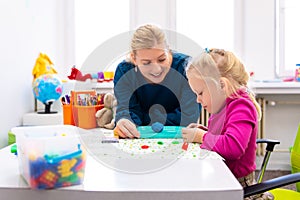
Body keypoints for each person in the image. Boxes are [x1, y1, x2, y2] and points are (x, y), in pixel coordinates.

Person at [181, 48, 273, 200]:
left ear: (222, 86)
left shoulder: (242, 106)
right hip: (222, 178)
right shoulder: (222, 105)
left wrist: (202, 137)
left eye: (201, 93)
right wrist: (203, 131)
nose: (198, 99)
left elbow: (233, 147)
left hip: (240, 188)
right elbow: (223, 135)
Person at [113, 24, 201, 138]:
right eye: (146, 63)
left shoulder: (186, 68)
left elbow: (188, 116)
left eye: (162, 59)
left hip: (179, 137)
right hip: (140, 139)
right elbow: (127, 110)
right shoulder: (125, 72)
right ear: (134, 59)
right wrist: (124, 120)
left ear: (169, 52)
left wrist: (146, 119)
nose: (157, 69)